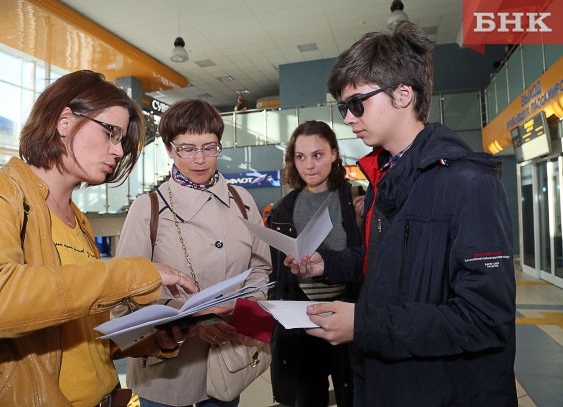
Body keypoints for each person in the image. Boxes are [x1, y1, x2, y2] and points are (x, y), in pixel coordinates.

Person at [286, 21, 517, 406]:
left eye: (357, 103)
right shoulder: (386, 178)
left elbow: (485, 320)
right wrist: (323, 264)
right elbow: (385, 265)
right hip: (379, 377)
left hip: (438, 389)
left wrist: (364, 324)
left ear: (403, 94)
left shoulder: (469, 184)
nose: (348, 118)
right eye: (344, 107)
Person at [0, 70, 198, 407]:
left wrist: (156, 339)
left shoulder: (78, 220)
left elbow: (82, 334)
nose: (117, 151)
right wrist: (137, 273)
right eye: (111, 133)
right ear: (65, 121)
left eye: (122, 141)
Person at [114, 98, 271, 407]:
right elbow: (127, 287)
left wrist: (249, 306)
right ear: (170, 150)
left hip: (227, 361)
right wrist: (196, 322)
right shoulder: (149, 208)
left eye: (209, 147)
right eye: (187, 148)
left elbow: (259, 268)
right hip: (168, 371)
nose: (200, 159)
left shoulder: (242, 200)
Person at [267, 120, 359, 407]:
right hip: (302, 322)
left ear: (333, 153)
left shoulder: (356, 201)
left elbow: (369, 260)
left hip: (349, 316)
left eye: (317, 155)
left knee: (354, 396)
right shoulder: (282, 209)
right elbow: (276, 273)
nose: (309, 165)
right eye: (300, 156)